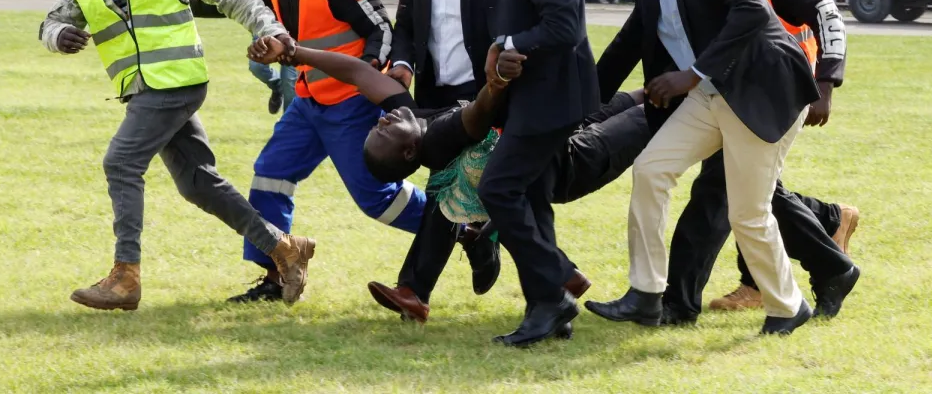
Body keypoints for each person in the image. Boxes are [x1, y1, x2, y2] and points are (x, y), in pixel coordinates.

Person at [38, 0, 315, 311]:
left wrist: (271, 31)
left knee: (121, 162)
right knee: (198, 184)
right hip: (140, 89)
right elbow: (54, 21)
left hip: (176, 83)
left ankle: (125, 277)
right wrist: (59, 35)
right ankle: (285, 248)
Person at [246, 36, 649, 328]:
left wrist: (295, 53)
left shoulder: (411, 117)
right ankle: (549, 269)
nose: (382, 120)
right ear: (409, 153)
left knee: (638, 96)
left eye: (378, 125)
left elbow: (356, 72)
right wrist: (496, 82)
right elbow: (477, 114)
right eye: (384, 132)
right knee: (653, 110)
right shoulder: (438, 139)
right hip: (568, 162)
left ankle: (531, 265)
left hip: (553, 136)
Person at [585, 0, 819, 336]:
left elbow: (752, 10)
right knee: (651, 169)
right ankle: (646, 293)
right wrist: (580, 107)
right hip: (712, 95)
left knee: (748, 213)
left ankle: (789, 306)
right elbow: (626, 45)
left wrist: (691, 75)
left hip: (762, 93)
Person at [661, 0, 859, 325]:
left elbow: (829, 15)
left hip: (774, 95)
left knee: (722, 197)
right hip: (734, 94)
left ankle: (679, 302)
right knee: (750, 195)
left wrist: (826, 83)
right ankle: (829, 248)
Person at [229, 0, 425, 303]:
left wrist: (369, 70)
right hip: (308, 102)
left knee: (378, 199)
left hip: (351, 104)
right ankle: (277, 274)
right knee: (270, 175)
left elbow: (381, 29)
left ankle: (462, 227)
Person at [466, 0, 599, 347]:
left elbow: (565, 27)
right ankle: (547, 307)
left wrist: (507, 43)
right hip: (530, 97)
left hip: (549, 98)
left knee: (499, 189)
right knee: (532, 199)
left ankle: (554, 288)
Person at [375, 0, 499, 312]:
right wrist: (403, 62)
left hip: (483, 94)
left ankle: (414, 290)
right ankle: (481, 238)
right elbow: (407, 25)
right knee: (450, 183)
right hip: (433, 94)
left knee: (448, 184)